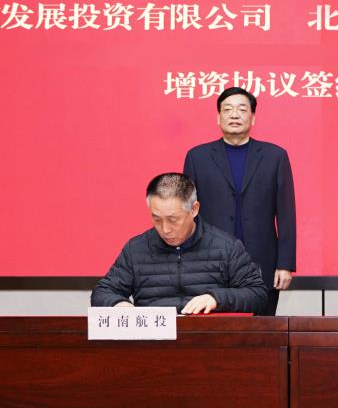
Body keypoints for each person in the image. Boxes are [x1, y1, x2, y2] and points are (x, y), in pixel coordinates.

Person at [183, 87, 296, 316]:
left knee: (261, 330)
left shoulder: (275, 156)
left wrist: (285, 264)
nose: (235, 115)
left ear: (253, 117)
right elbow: (187, 214)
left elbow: (286, 213)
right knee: (213, 331)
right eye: (228, 109)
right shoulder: (197, 157)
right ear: (218, 117)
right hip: (209, 262)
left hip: (261, 262)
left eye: (242, 109)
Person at [91, 172, 267, 314]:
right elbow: (102, 293)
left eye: (173, 219)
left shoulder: (226, 246)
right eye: (156, 219)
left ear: (194, 209)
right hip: (154, 341)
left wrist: (216, 299)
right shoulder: (136, 248)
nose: (165, 229)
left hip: (207, 340)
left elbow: (257, 295)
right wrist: (119, 305)